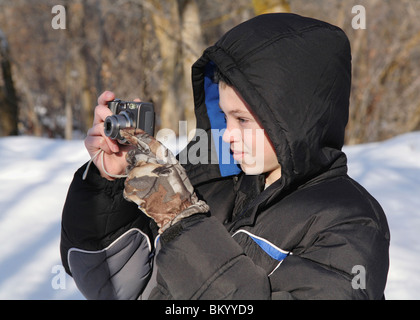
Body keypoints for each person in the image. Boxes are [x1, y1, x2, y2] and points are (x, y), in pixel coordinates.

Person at [60, 13, 390, 300]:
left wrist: (183, 222)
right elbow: (111, 284)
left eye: (243, 119)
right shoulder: (208, 179)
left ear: (294, 118)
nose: (228, 134)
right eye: (225, 116)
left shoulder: (351, 222)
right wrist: (108, 181)